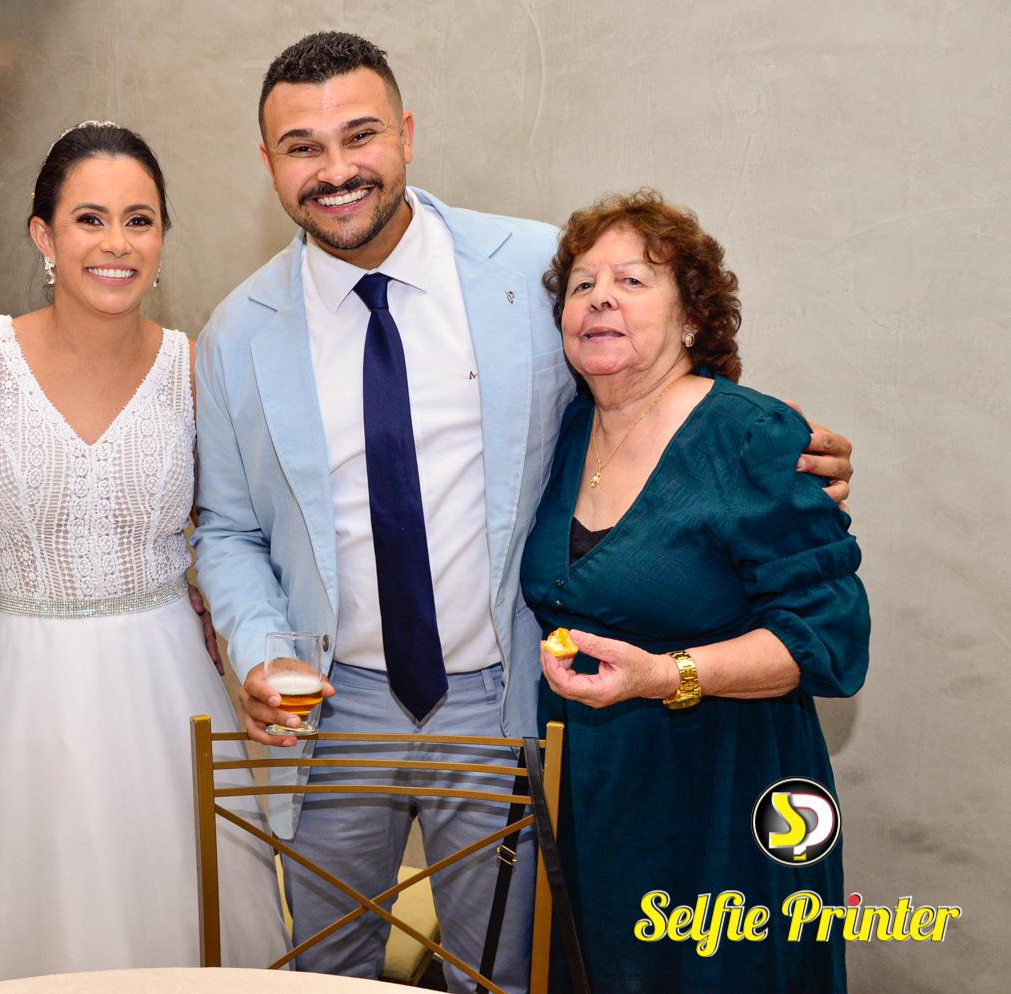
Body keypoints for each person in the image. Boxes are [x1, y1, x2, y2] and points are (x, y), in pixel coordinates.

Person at [191, 32, 856, 992]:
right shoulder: (236, 334)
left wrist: (769, 448)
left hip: (500, 694)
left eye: (360, 135)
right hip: (334, 706)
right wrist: (260, 650)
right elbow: (228, 528)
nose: (335, 170)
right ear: (268, 163)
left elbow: (645, 382)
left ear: (407, 133)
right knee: (321, 966)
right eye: (303, 147)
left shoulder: (536, 267)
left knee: (501, 965)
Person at [0, 122, 287, 979]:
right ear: (44, 236)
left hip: (166, 683)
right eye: (89, 219)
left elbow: (242, 525)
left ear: (163, 238)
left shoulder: (194, 366)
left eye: (140, 221)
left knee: (181, 910)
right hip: (15, 686)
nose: (116, 243)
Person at [522, 190, 868, 992]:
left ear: (692, 318)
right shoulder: (562, 432)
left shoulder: (753, 435)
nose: (600, 297)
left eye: (633, 280)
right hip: (592, 797)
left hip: (724, 798)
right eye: (582, 284)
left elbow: (828, 638)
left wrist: (665, 674)